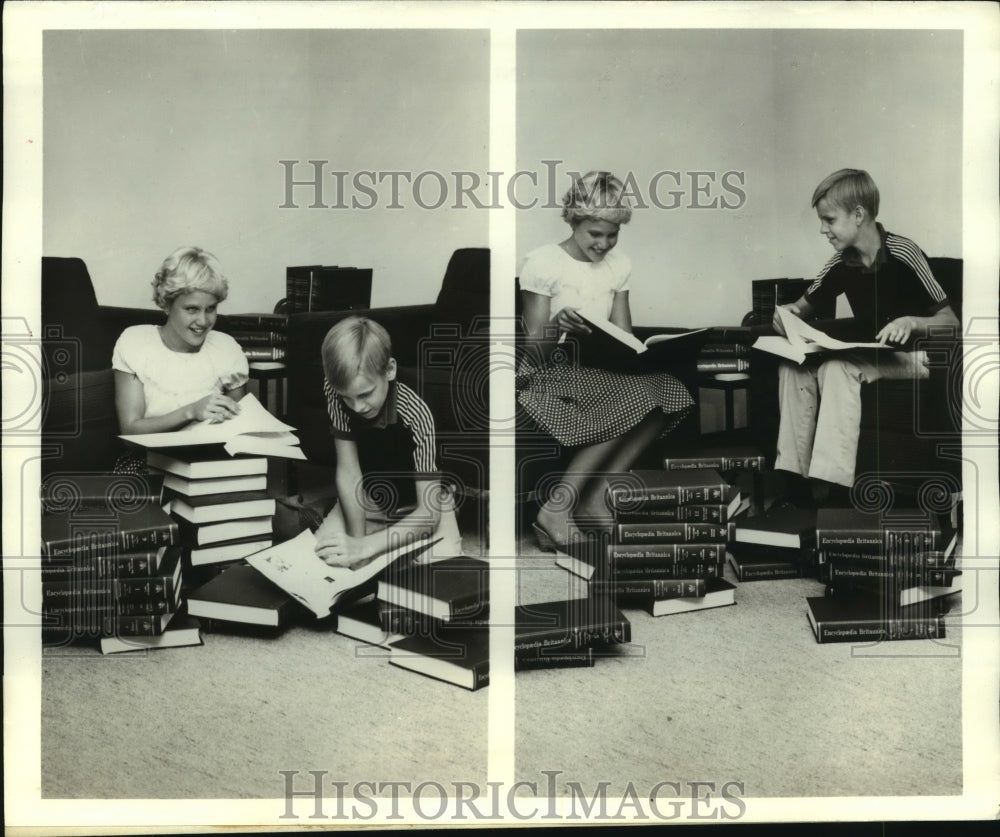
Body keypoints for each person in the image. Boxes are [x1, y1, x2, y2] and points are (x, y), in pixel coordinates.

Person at [518, 170, 695, 548]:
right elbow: (532, 349)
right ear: (573, 220)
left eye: (612, 235)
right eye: (594, 234)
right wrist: (556, 325)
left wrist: (647, 351)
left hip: (597, 369)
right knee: (626, 396)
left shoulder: (620, 265)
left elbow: (623, 336)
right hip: (548, 371)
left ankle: (596, 498)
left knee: (669, 391)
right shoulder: (542, 262)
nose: (603, 244)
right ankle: (555, 508)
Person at [771, 169, 959, 505]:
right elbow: (800, 307)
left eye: (829, 220)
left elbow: (951, 322)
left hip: (919, 358)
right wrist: (785, 316)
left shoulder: (904, 253)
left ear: (858, 215)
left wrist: (912, 322)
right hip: (873, 354)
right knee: (793, 366)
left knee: (838, 369)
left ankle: (833, 489)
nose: (822, 229)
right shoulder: (842, 262)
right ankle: (794, 483)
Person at [314, 315, 463, 568]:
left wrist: (366, 547)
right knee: (324, 561)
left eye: (365, 394)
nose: (357, 406)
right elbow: (349, 473)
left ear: (390, 369)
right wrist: (356, 546)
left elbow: (428, 515)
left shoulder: (418, 408)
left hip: (423, 504)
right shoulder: (333, 389)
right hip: (371, 496)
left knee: (440, 573)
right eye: (347, 398)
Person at [112, 246, 248, 471]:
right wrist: (191, 411)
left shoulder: (226, 348)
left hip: (208, 460)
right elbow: (130, 433)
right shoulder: (135, 342)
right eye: (192, 309)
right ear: (166, 304)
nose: (203, 321)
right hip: (147, 461)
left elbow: (241, 426)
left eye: (211, 309)